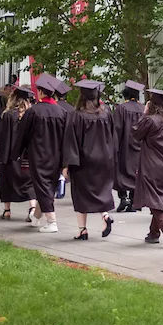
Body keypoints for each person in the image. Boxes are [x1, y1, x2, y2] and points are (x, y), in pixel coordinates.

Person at [61, 80, 116, 240]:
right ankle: (105, 216)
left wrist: (67, 164)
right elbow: (113, 137)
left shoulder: (77, 116)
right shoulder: (106, 114)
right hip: (105, 159)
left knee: (81, 194)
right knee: (101, 190)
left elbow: (72, 141)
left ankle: (82, 230)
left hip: (84, 161)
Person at [16, 73, 70, 233]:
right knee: (47, 187)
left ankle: (52, 221)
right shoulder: (62, 112)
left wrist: (17, 152)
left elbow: (23, 135)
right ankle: (36, 217)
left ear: (40, 92)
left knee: (43, 186)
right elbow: (67, 138)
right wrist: (65, 160)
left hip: (38, 155)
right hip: (56, 156)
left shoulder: (33, 112)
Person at [134, 88, 163, 248]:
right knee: (158, 199)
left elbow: (136, 134)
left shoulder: (150, 120)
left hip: (151, 166)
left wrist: (144, 113)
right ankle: (153, 233)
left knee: (153, 199)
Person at [0, 87, 37, 222]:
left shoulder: (8, 115)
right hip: (26, 155)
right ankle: (32, 208)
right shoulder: (31, 114)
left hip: (10, 154)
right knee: (28, 183)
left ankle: (7, 211)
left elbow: (3, 136)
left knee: (7, 182)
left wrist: (2, 155)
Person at [112, 80, 145, 213]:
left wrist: (114, 145)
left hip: (125, 145)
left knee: (121, 170)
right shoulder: (143, 109)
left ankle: (123, 198)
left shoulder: (121, 109)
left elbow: (117, 129)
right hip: (140, 146)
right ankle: (133, 200)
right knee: (136, 172)